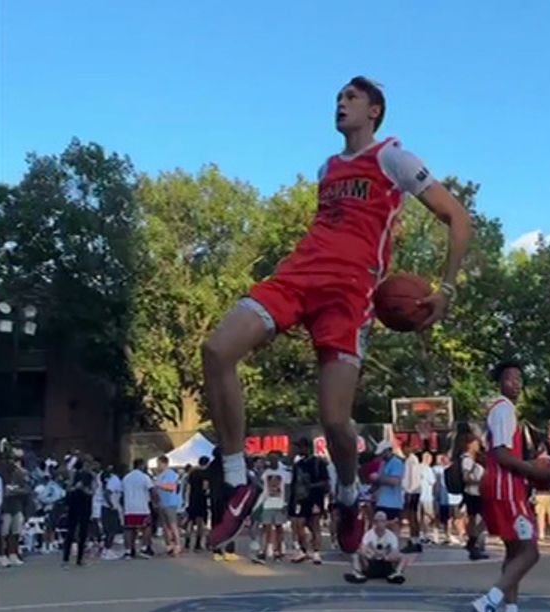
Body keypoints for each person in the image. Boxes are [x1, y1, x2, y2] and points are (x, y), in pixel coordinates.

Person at [202, 76, 474, 555]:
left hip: (350, 294)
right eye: (338, 98)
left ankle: (349, 495)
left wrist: (445, 289)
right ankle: (235, 479)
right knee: (217, 349)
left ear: (374, 111)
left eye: (351, 98)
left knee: (335, 421)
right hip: (300, 275)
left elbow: (457, 216)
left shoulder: (394, 157)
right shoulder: (327, 168)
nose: (341, 104)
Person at [471, 361, 550, 612]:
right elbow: (500, 454)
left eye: (520, 378)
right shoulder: (504, 409)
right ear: (500, 382)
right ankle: (488, 603)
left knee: (514, 554)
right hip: (506, 488)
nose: (517, 383)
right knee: (530, 552)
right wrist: (534, 471)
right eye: (511, 378)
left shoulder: (503, 410)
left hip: (503, 486)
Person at [289, 437, 329, 564]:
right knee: (299, 524)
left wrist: (311, 486)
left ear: (307, 448)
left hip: (315, 498)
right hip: (301, 499)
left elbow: (325, 482)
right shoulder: (298, 465)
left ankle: (316, 553)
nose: (298, 450)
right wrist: (292, 501)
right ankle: (303, 550)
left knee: (314, 525)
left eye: (300, 447)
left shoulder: (318, 463)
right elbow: (294, 485)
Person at [344, 510, 409, 584]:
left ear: (386, 522)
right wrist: (371, 553)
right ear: (374, 522)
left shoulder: (391, 536)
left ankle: (397, 573)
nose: (380, 523)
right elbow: (363, 547)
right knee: (357, 553)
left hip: (386, 564)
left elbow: (395, 551)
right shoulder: (368, 534)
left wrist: (386, 556)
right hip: (371, 563)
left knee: (403, 556)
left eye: (382, 521)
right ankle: (358, 574)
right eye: (377, 521)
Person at [251, 451, 293, 563]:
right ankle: (263, 552)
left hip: (280, 504)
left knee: (279, 528)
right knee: (266, 528)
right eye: (270, 459)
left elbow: (288, 490)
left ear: (278, 459)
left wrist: (286, 504)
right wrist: (259, 504)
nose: (272, 461)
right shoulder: (266, 473)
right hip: (268, 504)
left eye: (275, 459)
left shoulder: (285, 473)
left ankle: (278, 552)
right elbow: (264, 489)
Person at [459, 433, 490, 560]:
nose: (478, 445)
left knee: (475, 519)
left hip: (477, 492)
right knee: (482, 517)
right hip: (473, 492)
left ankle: (473, 542)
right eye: (476, 443)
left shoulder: (475, 458)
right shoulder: (467, 459)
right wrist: (481, 481)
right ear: (470, 444)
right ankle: (474, 542)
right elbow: (466, 477)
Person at [369, 439, 406, 540]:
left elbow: (395, 481)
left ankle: (393, 549)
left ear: (388, 451)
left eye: (382, 453)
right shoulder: (383, 464)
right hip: (381, 501)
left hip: (392, 503)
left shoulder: (396, 463)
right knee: (379, 529)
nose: (381, 456)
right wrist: (371, 489)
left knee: (391, 529)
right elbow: (380, 481)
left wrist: (378, 478)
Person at [120, 459, 155, 560]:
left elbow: (122, 494)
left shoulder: (126, 478)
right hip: (142, 507)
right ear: (141, 465)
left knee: (129, 529)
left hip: (129, 507)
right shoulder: (145, 477)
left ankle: (128, 551)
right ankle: (144, 548)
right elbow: (152, 490)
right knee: (146, 527)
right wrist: (156, 502)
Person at [530, 440, 550, 543]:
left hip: (539, 492)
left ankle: (541, 535)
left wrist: (532, 492)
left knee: (540, 515)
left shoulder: (535, 463)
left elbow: (532, 478)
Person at [154, 456, 183, 556]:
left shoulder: (171, 474)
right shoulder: (160, 475)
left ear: (165, 463)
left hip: (170, 503)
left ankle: (178, 545)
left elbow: (172, 487)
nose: (158, 466)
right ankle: (169, 545)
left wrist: (159, 485)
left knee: (173, 525)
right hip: (162, 503)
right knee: (165, 526)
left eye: (159, 464)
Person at [185, 455, 212, 553]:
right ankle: (198, 543)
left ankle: (187, 541)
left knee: (190, 521)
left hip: (192, 498)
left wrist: (187, 500)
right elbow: (205, 487)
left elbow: (188, 487)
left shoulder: (192, 473)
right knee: (200, 522)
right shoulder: (205, 474)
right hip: (201, 499)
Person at [403, 446, 423, 541]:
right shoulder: (411, 460)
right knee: (412, 515)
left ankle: (414, 537)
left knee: (412, 515)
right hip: (414, 490)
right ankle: (414, 537)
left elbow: (411, 476)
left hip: (412, 491)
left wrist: (409, 491)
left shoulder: (411, 460)